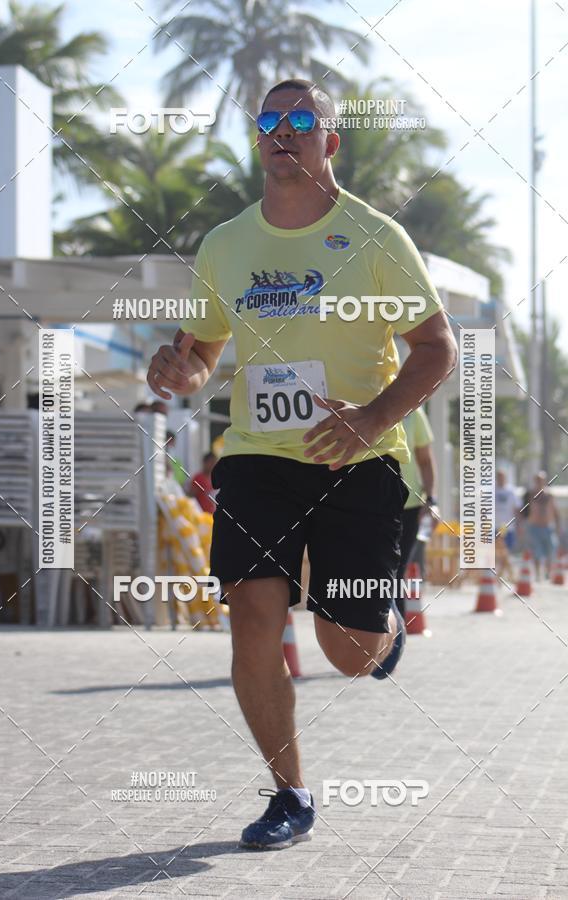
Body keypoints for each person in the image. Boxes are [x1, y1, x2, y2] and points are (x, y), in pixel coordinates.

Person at [147, 78, 457, 850]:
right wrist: (178, 373)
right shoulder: (225, 245)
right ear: (258, 139)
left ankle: (373, 612)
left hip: (362, 459)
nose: (283, 132)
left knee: (348, 654)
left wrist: (373, 420)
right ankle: (291, 794)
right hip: (257, 455)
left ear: (330, 142)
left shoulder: (377, 236)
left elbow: (437, 348)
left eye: (301, 120)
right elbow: (203, 357)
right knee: (252, 615)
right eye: (270, 121)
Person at [396, 406, 438, 618]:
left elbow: (425, 459)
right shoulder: (364, 398)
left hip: (410, 507)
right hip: (372, 505)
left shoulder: (413, 412)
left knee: (397, 570)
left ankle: (395, 636)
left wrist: (431, 498)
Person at [520, 471, 561, 579]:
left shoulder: (549, 495)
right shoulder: (529, 494)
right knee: (536, 551)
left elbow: (555, 511)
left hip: (548, 527)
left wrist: (558, 527)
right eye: (537, 480)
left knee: (550, 550)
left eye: (541, 480)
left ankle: (548, 572)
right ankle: (538, 573)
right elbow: (523, 512)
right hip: (534, 527)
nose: (539, 482)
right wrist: (521, 526)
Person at [495, 470, 518, 553]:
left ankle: (505, 565)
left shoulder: (511, 491)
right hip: (494, 526)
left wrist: (519, 524)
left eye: (502, 477)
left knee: (506, 550)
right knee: (497, 550)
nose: (500, 479)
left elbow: (516, 508)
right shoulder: (491, 490)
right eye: (499, 477)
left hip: (508, 526)